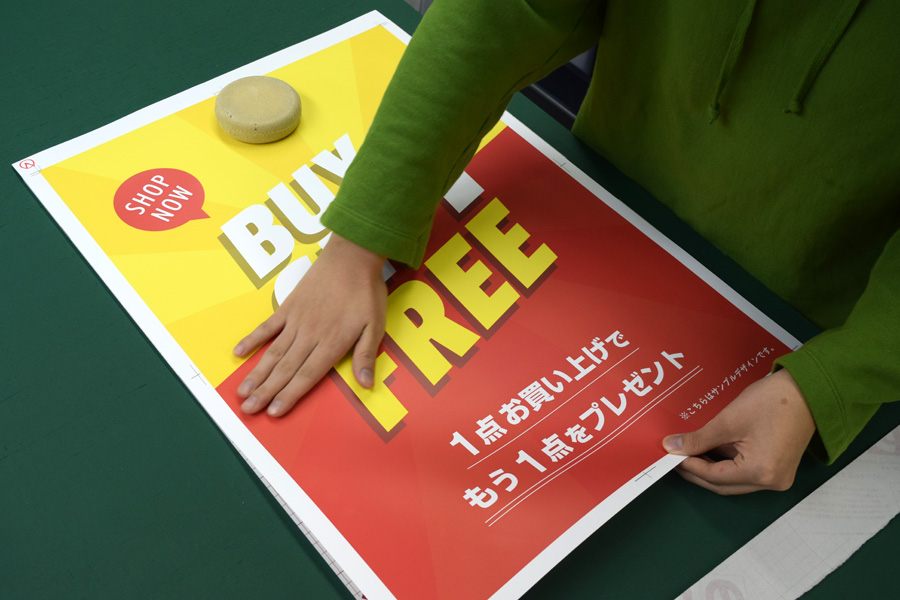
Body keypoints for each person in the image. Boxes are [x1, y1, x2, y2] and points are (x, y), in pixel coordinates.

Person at [232, 0, 900, 494]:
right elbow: (503, 14)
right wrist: (360, 236)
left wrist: (829, 384)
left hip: (804, 320)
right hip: (599, 199)